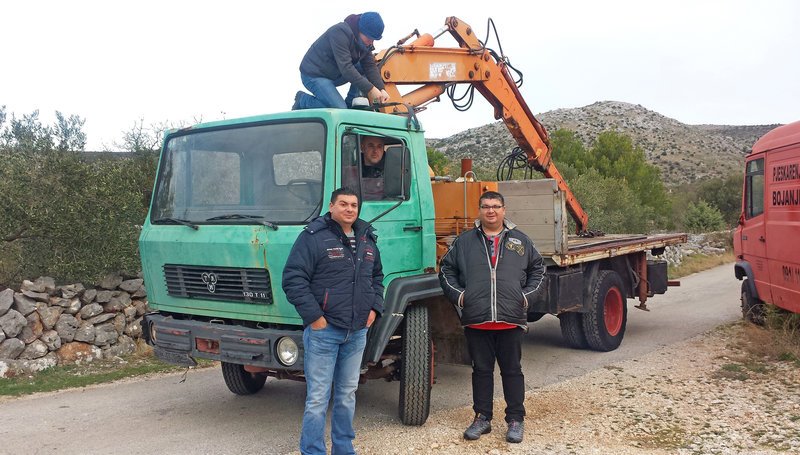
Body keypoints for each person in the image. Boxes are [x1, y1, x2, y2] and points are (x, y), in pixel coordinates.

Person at [282, 187, 384, 455]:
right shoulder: (313, 238)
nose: (349, 209)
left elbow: (376, 277)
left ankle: (343, 448)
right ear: (331, 206)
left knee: (347, 394)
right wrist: (315, 318)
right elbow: (293, 279)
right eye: (343, 204)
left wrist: (374, 308)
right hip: (324, 332)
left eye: (354, 205)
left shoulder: (366, 237)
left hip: (357, 332)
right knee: (317, 398)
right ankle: (313, 450)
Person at [438, 191, 544, 444]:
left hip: (510, 319)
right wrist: (461, 297)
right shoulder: (464, 242)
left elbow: (538, 269)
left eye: (496, 206)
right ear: (480, 210)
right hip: (478, 319)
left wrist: (525, 298)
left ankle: (516, 420)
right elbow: (445, 271)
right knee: (481, 371)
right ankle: (482, 417)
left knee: (512, 371)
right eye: (486, 206)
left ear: (504, 210)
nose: (491, 211)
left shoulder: (520, 240)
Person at [293, 12, 391, 110]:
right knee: (340, 109)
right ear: (360, 30)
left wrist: (381, 88)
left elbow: (370, 67)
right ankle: (303, 100)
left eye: (374, 39)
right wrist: (370, 89)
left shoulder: (364, 43)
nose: (371, 42)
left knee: (364, 68)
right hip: (314, 75)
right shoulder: (339, 32)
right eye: (369, 38)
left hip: (334, 72)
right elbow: (346, 69)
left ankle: (351, 103)